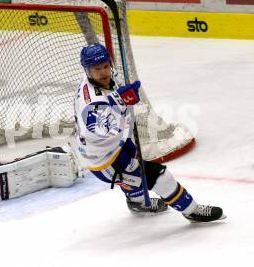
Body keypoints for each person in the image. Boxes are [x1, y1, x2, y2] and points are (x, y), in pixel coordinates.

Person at [73, 43, 225, 222]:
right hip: (104, 159)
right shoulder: (91, 103)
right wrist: (120, 101)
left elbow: (113, 92)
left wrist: (120, 98)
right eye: (98, 69)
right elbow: (102, 130)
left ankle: (137, 203)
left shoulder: (98, 78)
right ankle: (191, 210)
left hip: (114, 146)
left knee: (133, 173)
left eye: (106, 66)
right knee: (159, 176)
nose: (104, 72)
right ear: (87, 70)